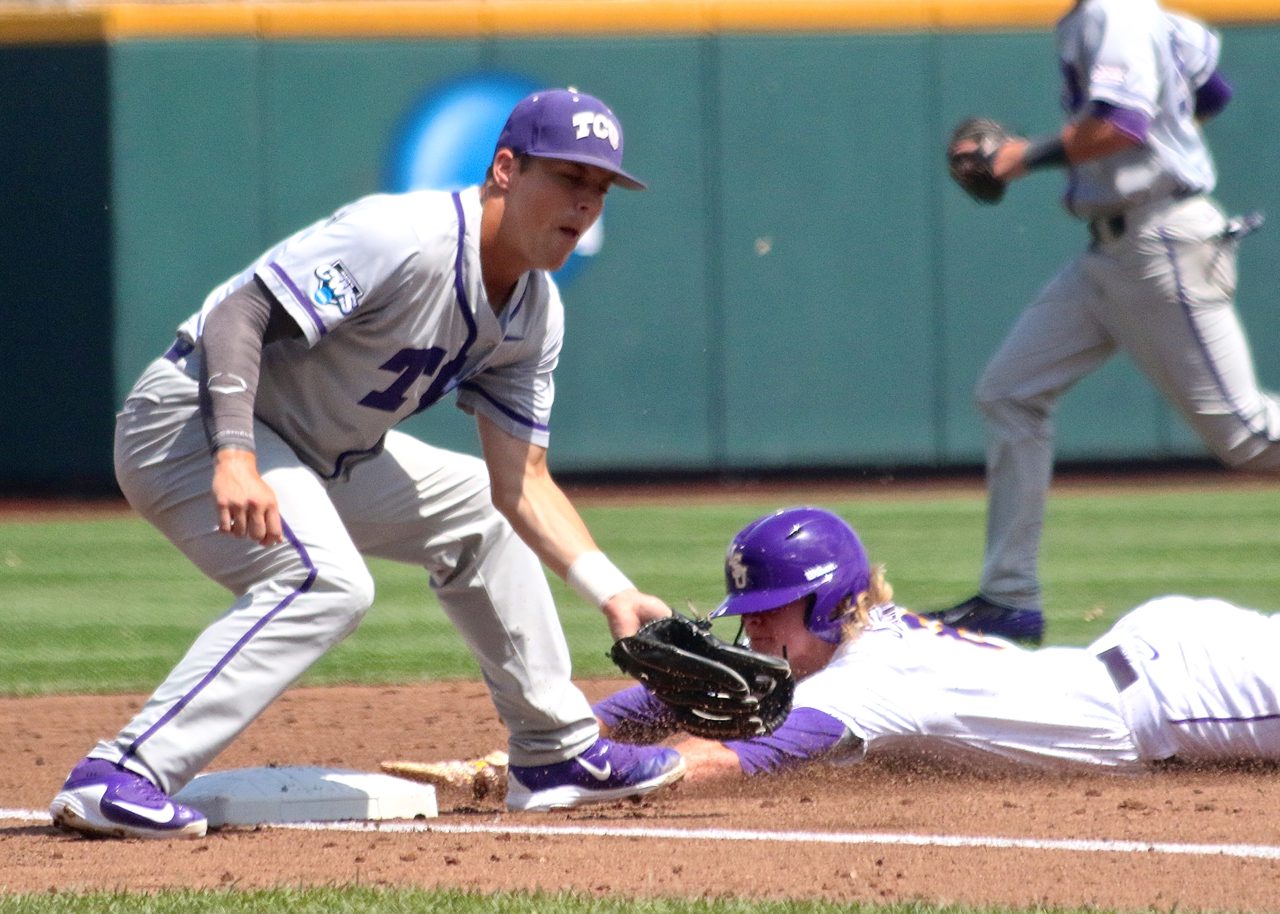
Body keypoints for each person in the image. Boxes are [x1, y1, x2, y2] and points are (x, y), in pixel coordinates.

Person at [48, 87, 686, 839]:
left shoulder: (536, 314)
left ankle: (553, 754)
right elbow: (238, 314)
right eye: (569, 177)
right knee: (327, 582)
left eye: (601, 188)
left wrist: (613, 592)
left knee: (480, 509)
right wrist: (236, 454)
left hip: (323, 452)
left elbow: (522, 483)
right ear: (506, 169)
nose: (585, 203)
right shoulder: (405, 237)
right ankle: (121, 771)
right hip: (188, 421)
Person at [408, 506, 1280, 789]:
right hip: (1148, 654)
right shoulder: (844, 644)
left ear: (826, 603)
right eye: (749, 613)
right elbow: (687, 694)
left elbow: (727, 753)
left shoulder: (863, 683)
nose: (753, 631)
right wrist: (543, 745)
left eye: (771, 612)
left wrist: (586, 771)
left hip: (1186, 695)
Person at [934, 0, 1280, 644]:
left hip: (1161, 241)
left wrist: (1018, 157)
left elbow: (1122, 122)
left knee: (1248, 436)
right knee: (1010, 392)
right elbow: (1211, 93)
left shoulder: (1111, 12)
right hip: (1113, 252)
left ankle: (1008, 597)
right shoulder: (1151, 17)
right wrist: (1166, 136)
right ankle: (1008, 598)